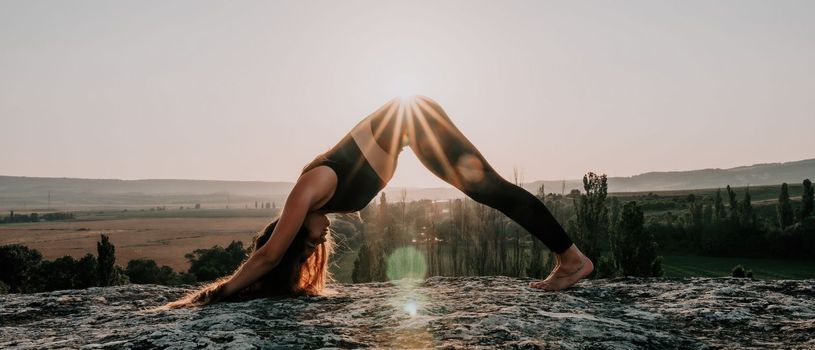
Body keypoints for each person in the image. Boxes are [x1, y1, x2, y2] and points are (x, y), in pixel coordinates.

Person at [163, 95, 593, 309]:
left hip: (415, 120)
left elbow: (269, 256)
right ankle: (570, 258)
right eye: (315, 249)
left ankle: (571, 260)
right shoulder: (324, 199)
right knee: (491, 190)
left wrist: (211, 297)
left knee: (491, 190)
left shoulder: (307, 189)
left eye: (308, 244)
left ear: (291, 233)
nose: (319, 242)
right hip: (415, 124)